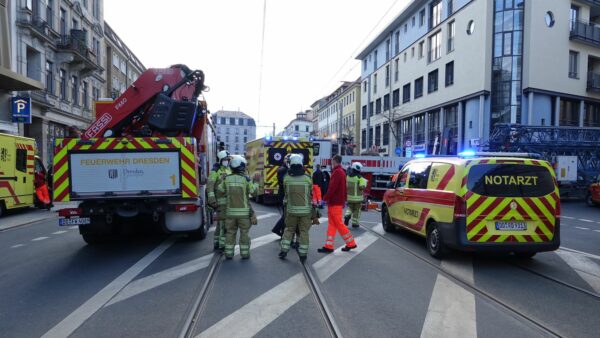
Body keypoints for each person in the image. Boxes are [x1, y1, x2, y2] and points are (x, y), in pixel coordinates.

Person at [218, 155, 256, 260]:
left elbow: (220, 192)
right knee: (244, 233)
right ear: (241, 167)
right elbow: (253, 192)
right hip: (244, 214)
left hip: (230, 213)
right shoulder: (246, 180)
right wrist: (255, 183)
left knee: (230, 233)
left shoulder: (226, 179)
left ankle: (229, 254)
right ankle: (245, 254)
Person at [318, 155, 357, 253]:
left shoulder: (337, 172)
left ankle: (351, 243)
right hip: (336, 202)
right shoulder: (341, 172)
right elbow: (342, 188)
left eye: (332, 161)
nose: (331, 163)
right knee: (332, 225)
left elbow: (332, 188)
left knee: (339, 224)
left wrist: (325, 198)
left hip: (334, 203)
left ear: (335, 161)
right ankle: (329, 246)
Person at [279, 154, 313, 262]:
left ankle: (284, 250)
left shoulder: (286, 179)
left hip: (291, 210)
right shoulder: (308, 179)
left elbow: (285, 192)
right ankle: (303, 255)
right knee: (304, 232)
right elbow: (310, 193)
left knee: (289, 230)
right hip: (305, 211)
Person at [207, 150, 231, 250]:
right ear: (220, 160)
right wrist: (212, 200)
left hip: (228, 201)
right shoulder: (215, 171)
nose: (227, 161)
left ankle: (217, 243)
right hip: (220, 202)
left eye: (228, 159)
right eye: (225, 159)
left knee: (220, 224)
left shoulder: (229, 170)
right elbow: (210, 186)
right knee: (223, 224)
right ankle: (222, 245)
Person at [344, 162, 368, 228]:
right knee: (357, 210)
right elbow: (362, 187)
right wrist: (365, 183)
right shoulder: (360, 178)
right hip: (358, 198)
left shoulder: (348, 176)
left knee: (350, 208)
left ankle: (347, 215)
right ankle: (355, 223)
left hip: (349, 197)